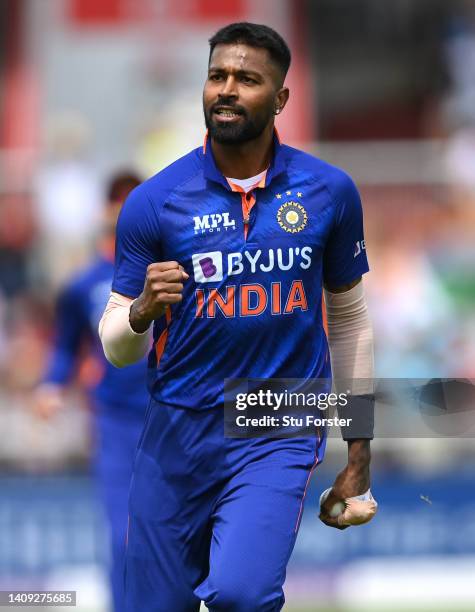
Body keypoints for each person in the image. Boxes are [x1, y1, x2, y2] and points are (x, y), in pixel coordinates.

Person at [99, 22, 376, 612]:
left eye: (247, 79)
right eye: (217, 75)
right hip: (176, 432)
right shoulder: (154, 201)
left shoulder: (329, 191)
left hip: (277, 419)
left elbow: (350, 321)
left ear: (280, 100)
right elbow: (116, 347)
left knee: (241, 595)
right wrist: (144, 312)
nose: (226, 89)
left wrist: (359, 451)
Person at [34, 171, 149, 612]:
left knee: (169, 535)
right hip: (115, 422)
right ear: (105, 212)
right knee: (124, 535)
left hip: (173, 417)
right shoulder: (84, 285)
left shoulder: (173, 273)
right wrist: (51, 385)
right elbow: (64, 346)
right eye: (118, 203)